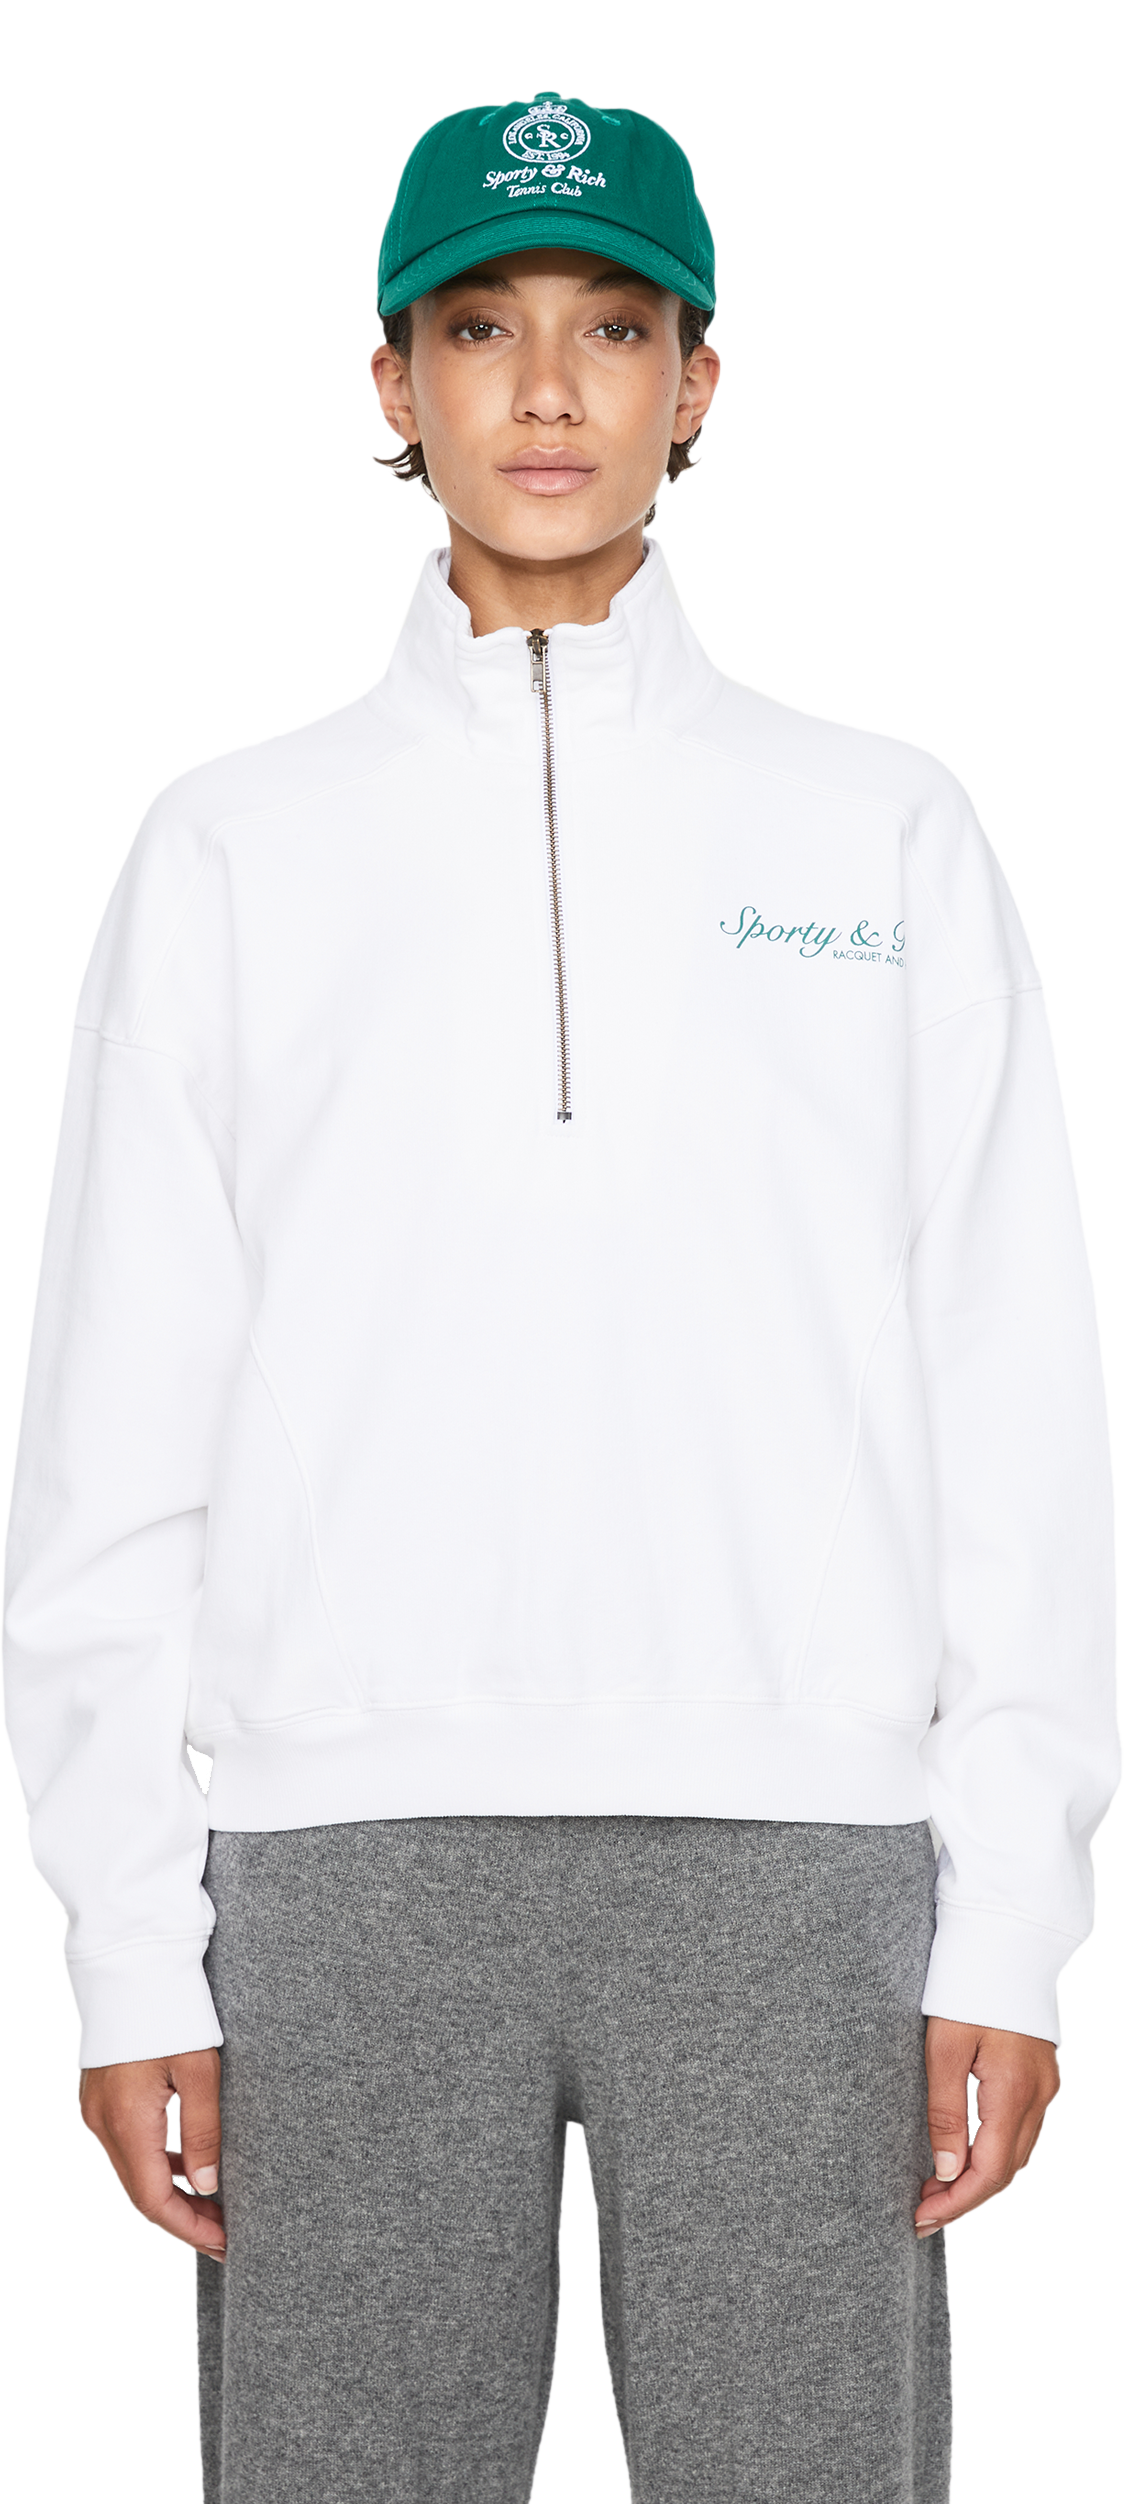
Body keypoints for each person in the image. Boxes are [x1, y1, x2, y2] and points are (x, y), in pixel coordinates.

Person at [3, 88, 1117, 2504]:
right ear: (387, 382)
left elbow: (1015, 1402)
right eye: (478, 326)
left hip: (801, 1851)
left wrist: (1009, 1921)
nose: (541, 386)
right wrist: (127, 1944)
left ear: (696, 382)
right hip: (346, 1859)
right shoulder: (230, 852)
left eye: (611, 327)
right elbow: (111, 1434)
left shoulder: (880, 832)